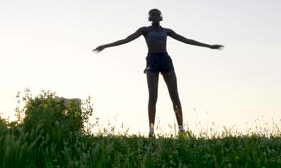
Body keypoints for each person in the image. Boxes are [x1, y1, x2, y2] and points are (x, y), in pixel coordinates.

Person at [93, 8, 223, 137]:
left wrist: (209, 46)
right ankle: (151, 131)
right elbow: (126, 39)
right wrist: (106, 45)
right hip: (152, 61)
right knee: (153, 97)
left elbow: (187, 40)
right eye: (152, 15)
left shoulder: (167, 31)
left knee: (175, 96)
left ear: (161, 17)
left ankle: (181, 129)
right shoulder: (144, 30)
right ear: (149, 18)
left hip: (165, 60)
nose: (155, 16)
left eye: (157, 14)